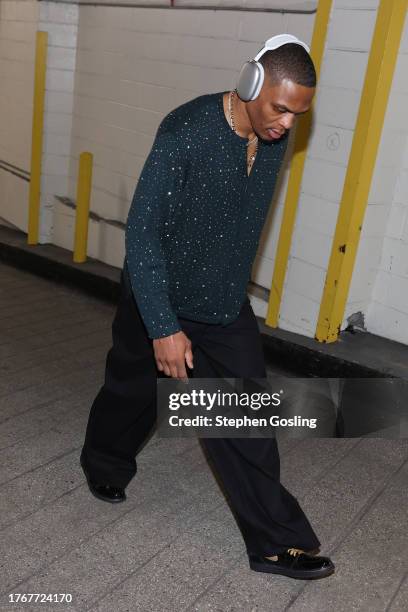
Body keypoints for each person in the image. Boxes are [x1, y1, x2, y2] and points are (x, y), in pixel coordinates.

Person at [80, 34, 335, 580]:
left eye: (299, 114)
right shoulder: (186, 131)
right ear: (251, 83)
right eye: (281, 108)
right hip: (159, 295)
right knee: (133, 391)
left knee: (246, 419)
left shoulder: (272, 137)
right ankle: (103, 462)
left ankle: (274, 542)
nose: (287, 125)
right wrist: (164, 327)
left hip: (222, 305)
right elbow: (142, 236)